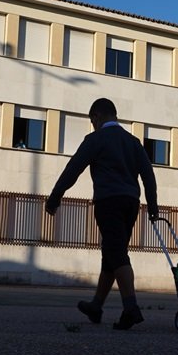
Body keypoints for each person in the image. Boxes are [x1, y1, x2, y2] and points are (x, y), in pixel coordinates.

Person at [46, 98, 159, 330]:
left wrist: (55, 196)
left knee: (115, 252)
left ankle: (130, 307)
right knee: (111, 254)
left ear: (96, 117)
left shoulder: (96, 139)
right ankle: (96, 306)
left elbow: (73, 169)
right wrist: (153, 207)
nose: (93, 125)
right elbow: (148, 175)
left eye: (92, 121)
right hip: (131, 203)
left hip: (109, 201)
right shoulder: (133, 141)